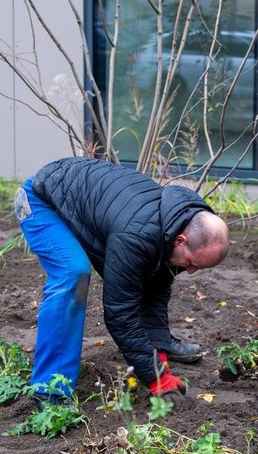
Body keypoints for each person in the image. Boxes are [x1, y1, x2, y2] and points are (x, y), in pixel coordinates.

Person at [14, 157, 229, 407]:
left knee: (146, 282)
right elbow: (120, 314)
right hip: (41, 200)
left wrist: (157, 353)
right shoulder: (137, 235)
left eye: (197, 267)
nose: (190, 271)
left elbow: (154, 291)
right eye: (192, 263)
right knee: (73, 272)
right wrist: (156, 377)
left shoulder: (176, 223)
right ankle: (50, 390)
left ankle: (162, 344)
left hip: (80, 201)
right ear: (181, 240)